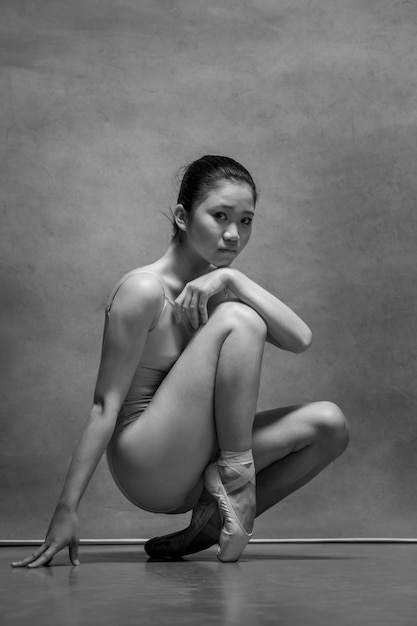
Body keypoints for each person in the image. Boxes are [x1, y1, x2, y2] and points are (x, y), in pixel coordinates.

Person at [11, 155, 348, 567]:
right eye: (220, 215)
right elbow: (104, 405)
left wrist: (233, 279)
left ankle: (202, 529)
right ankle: (236, 485)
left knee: (330, 425)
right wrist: (66, 509)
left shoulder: (218, 287)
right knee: (242, 319)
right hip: (147, 463)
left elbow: (301, 339)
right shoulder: (142, 290)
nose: (233, 234)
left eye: (245, 221)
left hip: (201, 463)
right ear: (182, 217)